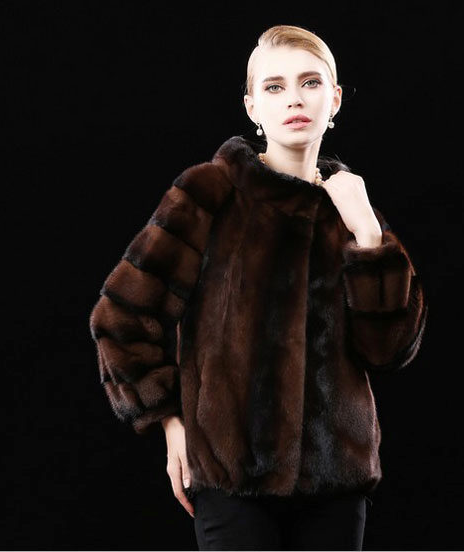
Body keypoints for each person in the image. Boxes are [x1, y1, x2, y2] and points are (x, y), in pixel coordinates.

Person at [89, 24, 428, 551]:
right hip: (231, 481)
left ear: (335, 99)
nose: (294, 98)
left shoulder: (354, 212)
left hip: (336, 487)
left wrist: (368, 237)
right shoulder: (210, 192)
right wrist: (170, 422)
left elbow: (389, 351)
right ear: (252, 106)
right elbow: (122, 316)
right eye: (274, 86)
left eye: (310, 82)